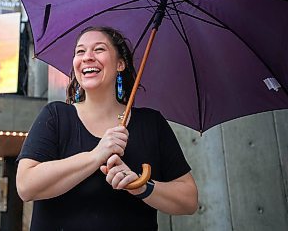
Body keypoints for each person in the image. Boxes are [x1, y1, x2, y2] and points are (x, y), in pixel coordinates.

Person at [16, 26, 198, 230]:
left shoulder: (151, 123)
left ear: (120, 64)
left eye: (99, 49)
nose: (87, 57)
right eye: (80, 51)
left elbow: (189, 199)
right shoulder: (55, 116)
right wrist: (96, 155)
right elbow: (26, 185)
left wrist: (141, 186)